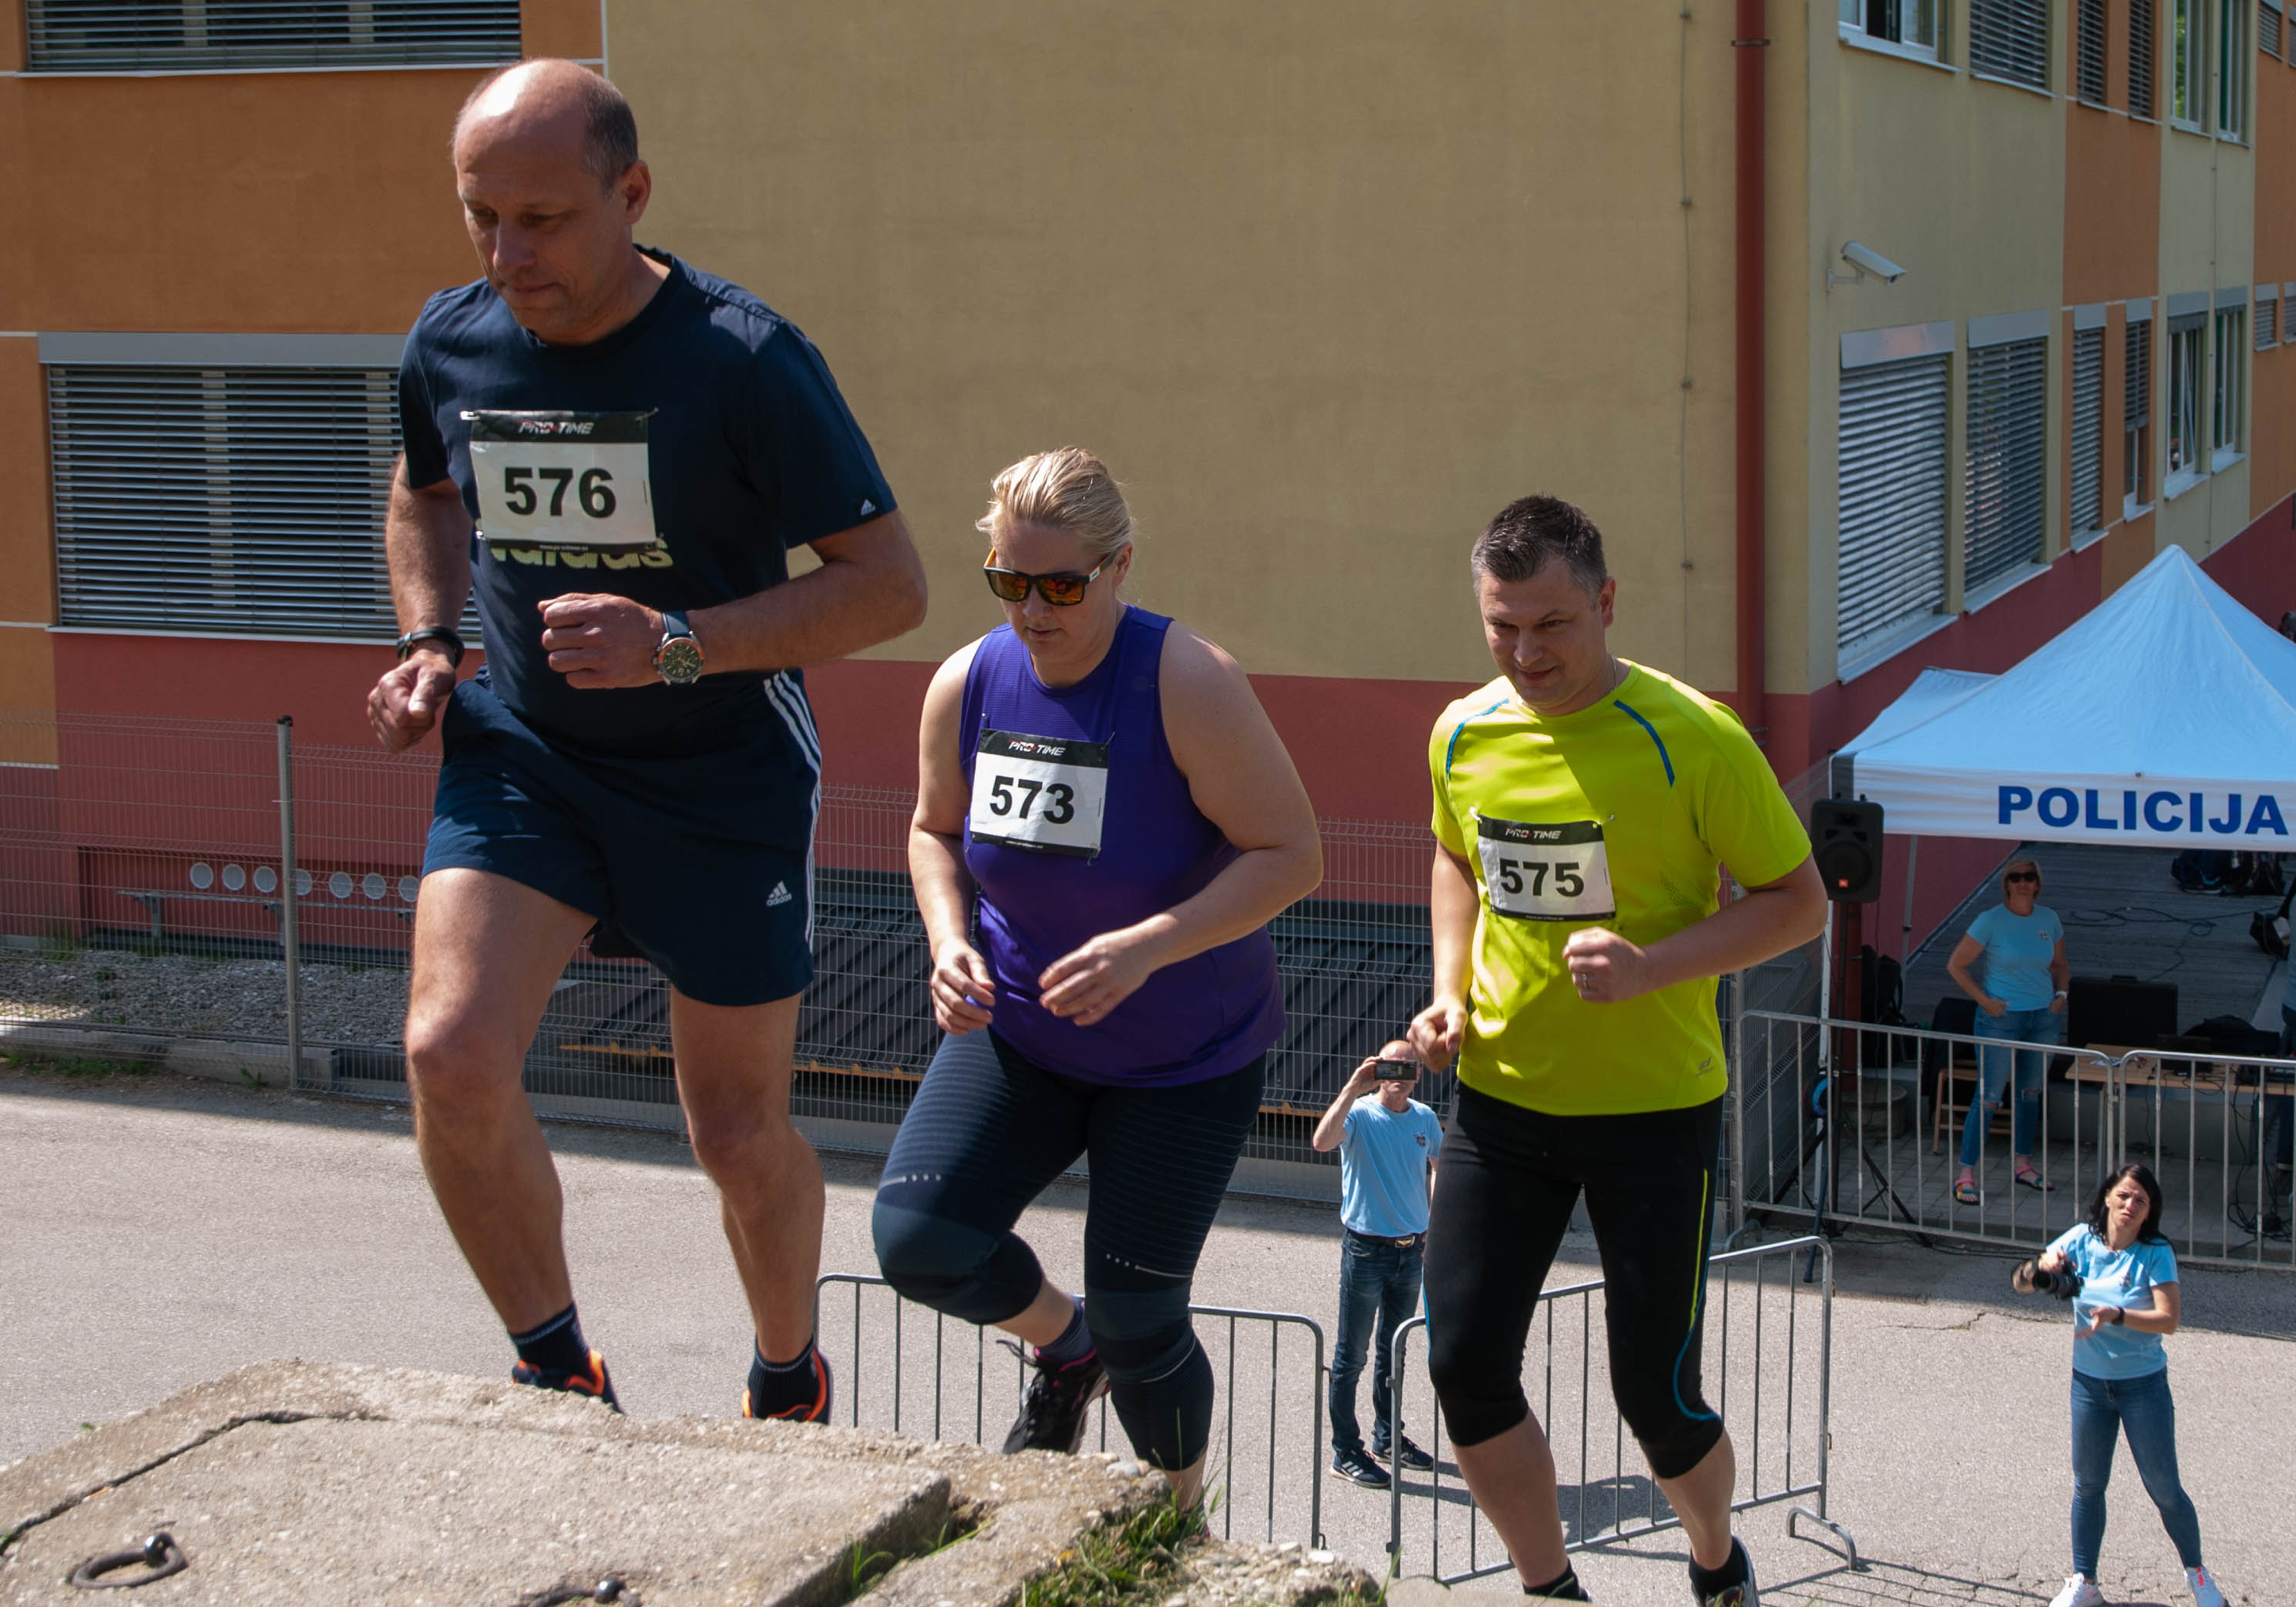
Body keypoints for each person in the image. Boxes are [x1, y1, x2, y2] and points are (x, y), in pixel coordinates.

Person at [367, 60, 926, 1418]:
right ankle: (557, 1370)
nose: (507, 255)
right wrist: (433, 643)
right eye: (478, 218)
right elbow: (426, 494)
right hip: (527, 756)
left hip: (719, 771)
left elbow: (888, 585)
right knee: (446, 1052)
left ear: (631, 194)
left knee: (732, 1134)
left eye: (543, 220)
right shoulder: (453, 339)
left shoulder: (743, 359)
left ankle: (786, 1370)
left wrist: (677, 642)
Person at [871, 448, 1322, 1505]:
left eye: (1062, 585)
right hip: (1024, 1033)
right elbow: (933, 832)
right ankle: (1063, 1349)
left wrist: (1152, 944)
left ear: (1120, 567)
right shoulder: (969, 681)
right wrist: (948, 942)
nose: (1034, 609)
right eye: (1008, 581)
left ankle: (1174, 1526)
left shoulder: (1187, 681)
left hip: (1182, 1060)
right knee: (920, 1242)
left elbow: (1291, 855)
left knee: (1144, 1321)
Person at [1407, 495, 1826, 1605]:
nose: (1526, 653)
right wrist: (1446, 993)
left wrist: (1656, 966)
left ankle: (1713, 1560)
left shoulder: (1694, 735)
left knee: (1657, 1396)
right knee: (1462, 1367)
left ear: (1605, 602)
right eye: (1502, 627)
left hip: (1653, 1111)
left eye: (1551, 624)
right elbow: (1456, 857)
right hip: (1503, 1106)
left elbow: (1798, 904)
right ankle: (1550, 1589)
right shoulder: (1463, 730)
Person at [2014, 1164, 2229, 1607]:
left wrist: (2120, 1315)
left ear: (2150, 1212)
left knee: (2166, 1489)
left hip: (2142, 1387)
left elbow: (2169, 1320)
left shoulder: (2156, 1253)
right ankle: (2084, 1582)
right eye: (2125, 1196)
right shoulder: (2079, 1240)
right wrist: (2040, 1265)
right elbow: (2019, 1283)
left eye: (2141, 1201)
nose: (2131, 1206)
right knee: (2088, 1485)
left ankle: (2199, 1576)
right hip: (2090, 1387)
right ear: (2108, 1197)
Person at [1311, 1041, 1442, 1490]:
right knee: (1352, 1355)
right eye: (1391, 1067)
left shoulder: (1424, 1119)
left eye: (1408, 1068)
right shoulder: (1361, 1114)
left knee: (1394, 1351)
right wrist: (1352, 1086)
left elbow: (1438, 1166)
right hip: (1366, 1251)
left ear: (1419, 1075)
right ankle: (1346, 1451)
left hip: (1412, 1252)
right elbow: (1322, 1141)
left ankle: (1388, 1437)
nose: (1400, 1076)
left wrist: (1435, 1229)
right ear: (1377, 1069)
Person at [1944, 855, 2069, 1204]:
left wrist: (2062, 994)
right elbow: (1956, 965)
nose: (2023, 883)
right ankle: (1966, 1174)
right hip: (2001, 1019)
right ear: (2006, 884)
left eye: (2029, 877)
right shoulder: (1990, 921)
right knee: (1988, 1098)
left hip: (2043, 1018)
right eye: (2016, 878)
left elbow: (2060, 964)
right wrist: (1985, 1001)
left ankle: (2023, 1165)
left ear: (2038, 883)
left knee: (2030, 1094)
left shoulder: (2050, 919)